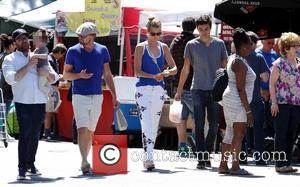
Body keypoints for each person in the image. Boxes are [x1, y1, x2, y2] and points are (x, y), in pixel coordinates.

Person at [2, 28, 59, 180]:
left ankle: (31, 164)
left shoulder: (39, 55)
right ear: (14, 43)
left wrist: (46, 73)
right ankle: (21, 168)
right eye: (20, 39)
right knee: (25, 135)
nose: (24, 40)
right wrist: (28, 66)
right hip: (23, 102)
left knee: (35, 136)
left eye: (26, 38)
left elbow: (54, 77)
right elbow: (10, 79)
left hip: (40, 101)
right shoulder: (10, 59)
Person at [63, 22, 119, 175]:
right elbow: (66, 75)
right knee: (82, 128)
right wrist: (79, 76)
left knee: (90, 130)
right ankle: (84, 160)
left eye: (84, 36)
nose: (80, 38)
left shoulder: (103, 50)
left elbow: (107, 75)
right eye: (79, 35)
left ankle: (85, 158)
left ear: (93, 36)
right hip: (79, 94)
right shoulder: (72, 51)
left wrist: (114, 95)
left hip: (97, 95)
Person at [174, 14, 228, 169]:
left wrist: (227, 87)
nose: (203, 31)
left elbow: (225, 67)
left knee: (214, 125)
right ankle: (201, 158)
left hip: (215, 90)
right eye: (200, 29)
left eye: (206, 28)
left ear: (210, 28)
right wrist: (179, 90)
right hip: (196, 88)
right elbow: (185, 69)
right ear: (197, 29)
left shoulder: (219, 44)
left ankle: (206, 153)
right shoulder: (191, 45)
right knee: (198, 124)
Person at [134, 17, 177, 170]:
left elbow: (174, 68)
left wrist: (166, 73)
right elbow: (137, 71)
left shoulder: (164, 47)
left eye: (158, 33)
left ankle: (149, 155)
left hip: (158, 89)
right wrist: (153, 76)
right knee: (146, 122)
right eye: (153, 33)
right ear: (147, 32)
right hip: (143, 89)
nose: (156, 36)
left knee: (153, 123)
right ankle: (148, 157)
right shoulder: (140, 47)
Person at [218, 28, 255, 175]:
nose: (251, 49)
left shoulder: (233, 58)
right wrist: (248, 111)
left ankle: (223, 166)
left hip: (230, 99)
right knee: (239, 134)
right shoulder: (239, 62)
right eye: (250, 46)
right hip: (237, 101)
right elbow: (241, 89)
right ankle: (235, 166)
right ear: (244, 46)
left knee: (230, 132)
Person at [269, 32, 300, 173]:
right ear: (287, 48)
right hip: (281, 103)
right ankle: (279, 164)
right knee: (281, 134)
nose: (298, 47)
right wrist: (273, 103)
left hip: (296, 103)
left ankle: (287, 163)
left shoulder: (299, 63)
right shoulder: (279, 64)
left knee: (291, 134)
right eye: (295, 45)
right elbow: (272, 84)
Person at [170, 17, 196, 157]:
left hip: (176, 85)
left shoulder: (175, 41)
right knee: (197, 117)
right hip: (191, 84)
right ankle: (195, 145)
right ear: (195, 27)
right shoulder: (194, 42)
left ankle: (182, 146)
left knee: (180, 118)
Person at [244, 31, 269, 165]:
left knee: (241, 128)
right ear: (253, 43)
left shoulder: (237, 56)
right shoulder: (258, 57)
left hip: (240, 99)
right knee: (258, 128)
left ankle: (241, 157)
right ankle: (259, 158)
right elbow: (265, 77)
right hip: (255, 98)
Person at [256, 39, 280, 138]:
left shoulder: (275, 55)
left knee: (271, 121)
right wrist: (260, 88)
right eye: (268, 43)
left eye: (272, 43)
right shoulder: (257, 54)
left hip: (272, 94)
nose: (271, 45)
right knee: (261, 121)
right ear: (262, 42)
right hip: (260, 93)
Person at [43, 43, 67, 141]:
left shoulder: (53, 60)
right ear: (59, 52)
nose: (62, 57)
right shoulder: (50, 60)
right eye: (62, 54)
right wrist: (63, 78)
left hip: (53, 88)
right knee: (49, 112)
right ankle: (47, 133)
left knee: (51, 111)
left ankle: (49, 132)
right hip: (50, 88)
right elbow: (51, 77)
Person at [32, 29, 52, 96]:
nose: (35, 43)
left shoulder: (44, 48)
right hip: (41, 69)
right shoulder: (37, 49)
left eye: (37, 41)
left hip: (44, 68)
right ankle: (50, 93)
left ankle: (51, 92)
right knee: (45, 84)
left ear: (42, 42)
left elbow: (45, 56)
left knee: (41, 86)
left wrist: (35, 55)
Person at [0, 33, 16, 113]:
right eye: (14, 44)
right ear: (11, 45)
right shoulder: (8, 57)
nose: (15, 46)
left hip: (3, 89)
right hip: (6, 90)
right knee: (3, 116)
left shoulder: (2, 56)